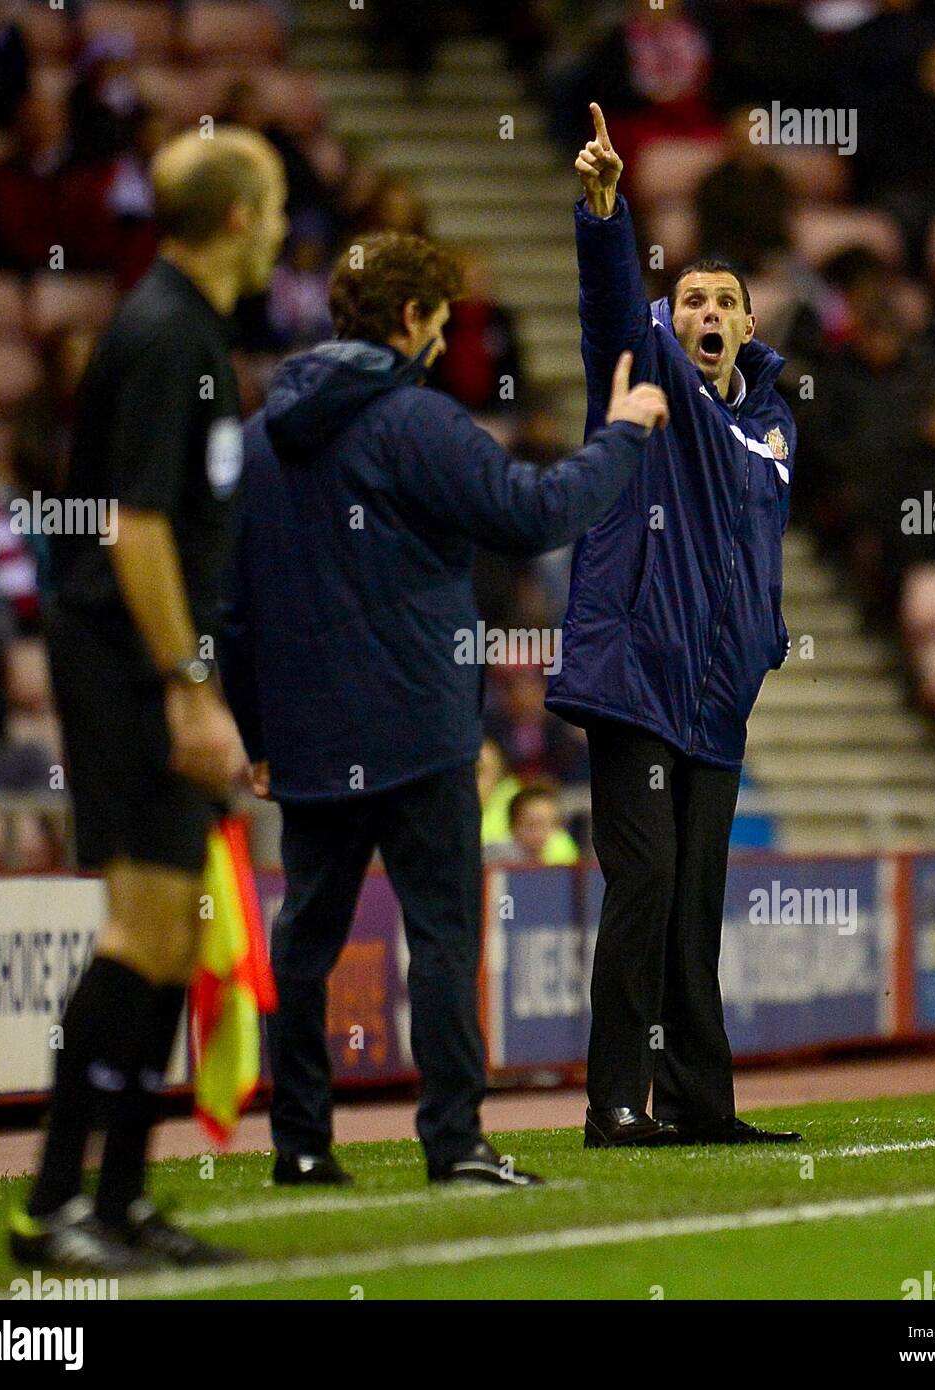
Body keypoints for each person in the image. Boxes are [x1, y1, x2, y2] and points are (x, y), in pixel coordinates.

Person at [219, 229, 667, 1188]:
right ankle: (455, 1141)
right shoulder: (415, 422)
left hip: (306, 731)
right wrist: (625, 431)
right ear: (418, 320)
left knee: (304, 940)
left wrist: (257, 733)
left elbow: (232, 606)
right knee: (441, 937)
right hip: (416, 722)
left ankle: (300, 1144)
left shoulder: (258, 439)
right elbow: (532, 513)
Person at [9, 128, 288, 1273]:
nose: (281, 229)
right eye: (269, 209)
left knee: (175, 940)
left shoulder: (192, 329)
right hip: (125, 665)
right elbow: (137, 531)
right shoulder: (170, 332)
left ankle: (119, 1200)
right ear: (236, 218)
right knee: (141, 929)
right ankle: (51, 1205)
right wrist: (188, 690)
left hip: (153, 661)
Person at [546, 104, 802, 1150]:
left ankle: (699, 1102)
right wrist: (603, 213)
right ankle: (615, 1102)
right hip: (636, 675)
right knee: (645, 880)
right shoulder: (646, 371)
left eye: (723, 302)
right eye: (691, 295)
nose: (704, 310)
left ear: (747, 325)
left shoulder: (775, 422)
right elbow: (611, 313)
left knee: (694, 903)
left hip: (715, 695)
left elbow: (759, 551)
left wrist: (766, 637)